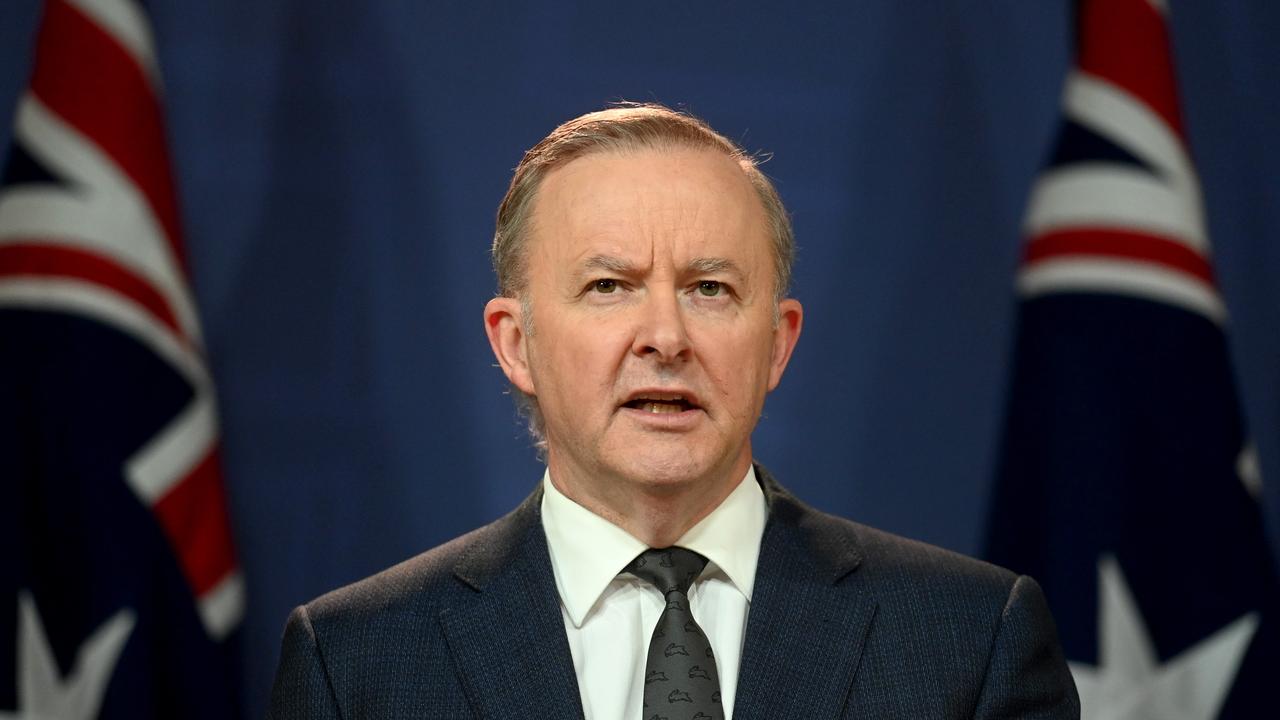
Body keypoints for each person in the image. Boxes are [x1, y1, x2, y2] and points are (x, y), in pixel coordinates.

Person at [266, 104, 1079, 719]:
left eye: (710, 288)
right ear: (517, 344)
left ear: (776, 343)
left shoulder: (970, 641)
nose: (664, 336)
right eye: (608, 286)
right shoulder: (357, 664)